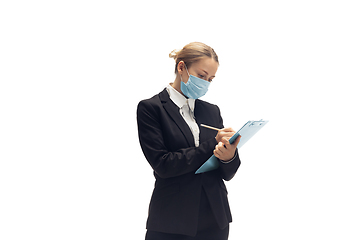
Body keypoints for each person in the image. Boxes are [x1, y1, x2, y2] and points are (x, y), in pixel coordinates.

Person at [137, 42, 241, 240]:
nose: (206, 83)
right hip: (172, 220)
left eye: (210, 79)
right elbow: (163, 165)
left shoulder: (212, 111)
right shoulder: (151, 108)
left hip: (214, 217)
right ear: (182, 67)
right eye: (201, 76)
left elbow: (226, 173)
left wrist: (228, 157)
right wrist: (212, 145)